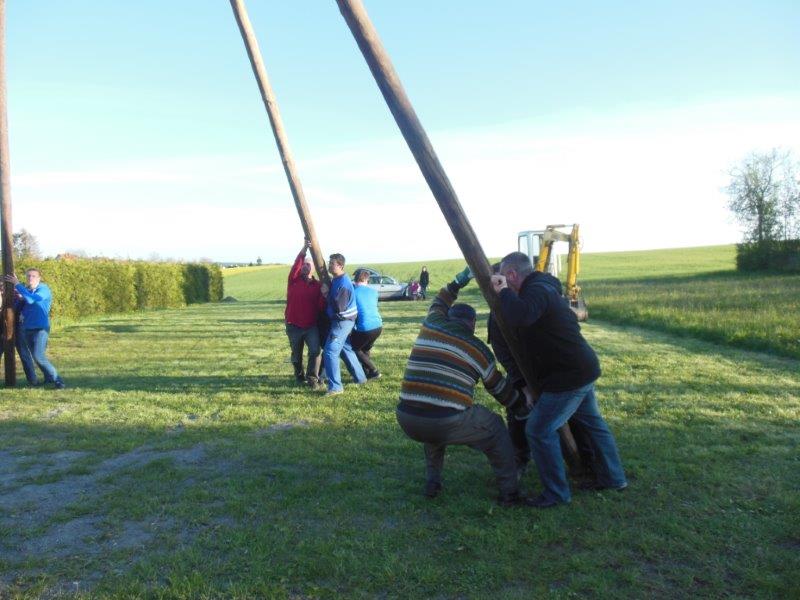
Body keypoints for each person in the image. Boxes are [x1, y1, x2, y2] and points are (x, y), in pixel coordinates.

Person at [491, 252, 626, 508]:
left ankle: (556, 493)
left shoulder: (536, 291)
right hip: (581, 368)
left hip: (569, 376)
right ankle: (614, 478)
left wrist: (503, 292)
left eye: (504, 278)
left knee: (539, 430)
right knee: (594, 424)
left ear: (511, 275)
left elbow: (522, 316)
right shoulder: (543, 287)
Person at [396, 266, 531, 506]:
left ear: (449, 317)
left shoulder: (432, 323)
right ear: (473, 324)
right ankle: (510, 493)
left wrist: (460, 280)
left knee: (432, 415)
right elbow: (501, 392)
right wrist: (522, 404)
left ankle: (433, 482)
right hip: (444, 423)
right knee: (495, 428)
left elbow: (441, 299)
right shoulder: (478, 349)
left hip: (407, 418)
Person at [5, 268, 65, 389]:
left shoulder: (44, 289)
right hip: (27, 329)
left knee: (39, 356)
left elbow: (31, 300)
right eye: (28, 276)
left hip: (40, 329)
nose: (30, 278)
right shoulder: (27, 291)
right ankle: (48, 378)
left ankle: (58, 380)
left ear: (39, 278)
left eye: (33, 276)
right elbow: (18, 307)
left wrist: (17, 284)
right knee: (36, 356)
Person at [322, 253, 366, 395]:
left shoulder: (343, 284)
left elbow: (339, 308)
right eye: (329, 263)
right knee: (345, 348)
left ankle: (336, 387)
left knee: (330, 351)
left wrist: (326, 295)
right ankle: (361, 378)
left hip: (342, 322)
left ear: (340, 266)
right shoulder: (337, 280)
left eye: (332, 263)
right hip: (344, 321)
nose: (329, 266)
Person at [285, 240, 326, 388]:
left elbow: (320, 307)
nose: (305, 266)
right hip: (294, 325)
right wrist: (304, 249)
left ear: (313, 269)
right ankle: (299, 375)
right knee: (296, 355)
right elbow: (296, 264)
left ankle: (312, 378)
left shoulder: (317, 285)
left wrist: (324, 295)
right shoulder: (293, 280)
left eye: (309, 265)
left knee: (315, 351)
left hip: (310, 326)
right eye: (304, 264)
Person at [350, 269, 383, 380]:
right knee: (365, 349)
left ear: (355, 279)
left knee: (355, 348)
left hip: (365, 328)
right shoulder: (374, 292)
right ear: (367, 280)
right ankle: (367, 373)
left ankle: (374, 370)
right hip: (378, 326)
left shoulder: (353, 292)